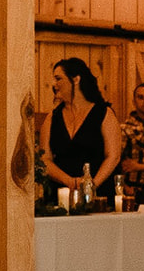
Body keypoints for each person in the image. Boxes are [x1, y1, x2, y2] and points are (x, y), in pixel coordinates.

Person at [39, 58, 122, 200]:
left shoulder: (104, 113)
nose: (54, 84)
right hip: (62, 196)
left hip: (99, 195)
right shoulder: (52, 118)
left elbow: (113, 156)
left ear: (76, 79)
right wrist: (68, 181)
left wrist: (91, 186)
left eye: (58, 78)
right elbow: (44, 159)